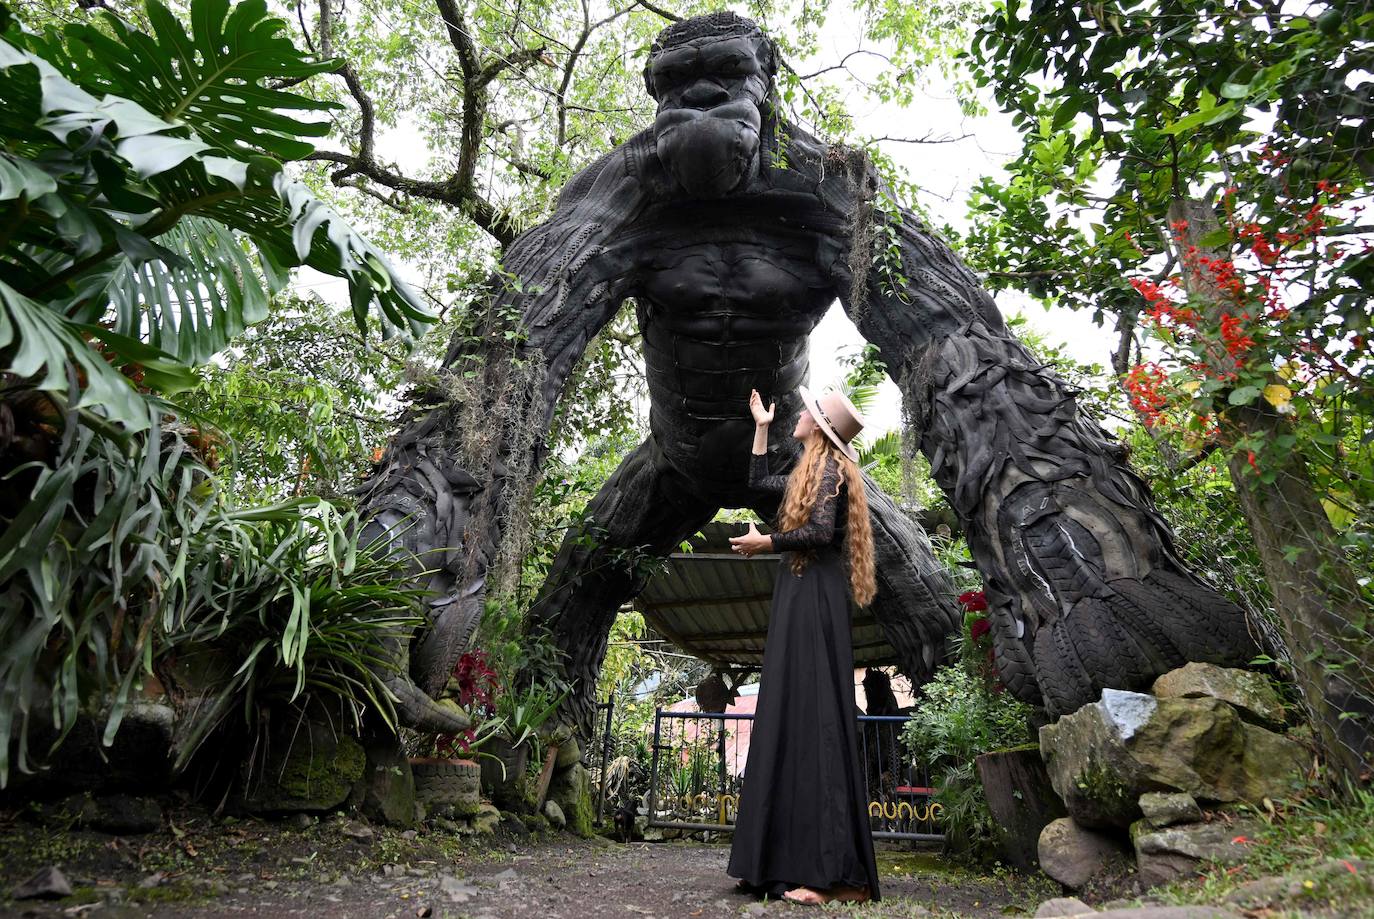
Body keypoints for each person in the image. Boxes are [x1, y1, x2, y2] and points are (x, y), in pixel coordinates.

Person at [725, 386, 881, 905]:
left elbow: (817, 533)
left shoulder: (833, 473)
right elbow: (755, 483)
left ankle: (832, 874)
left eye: (806, 413)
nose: (800, 415)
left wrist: (766, 542)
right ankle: (777, 862)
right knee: (789, 716)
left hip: (815, 596)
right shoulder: (808, 472)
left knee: (816, 721)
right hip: (798, 593)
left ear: (818, 426)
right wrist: (763, 428)